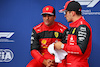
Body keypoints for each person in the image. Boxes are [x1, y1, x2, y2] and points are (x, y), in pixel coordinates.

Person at [54, 1, 92, 67]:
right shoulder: (74, 26)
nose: (65, 15)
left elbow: (80, 49)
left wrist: (62, 46)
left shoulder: (82, 26)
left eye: (66, 12)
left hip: (78, 64)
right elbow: (71, 47)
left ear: (72, 13)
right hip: (70, 63)